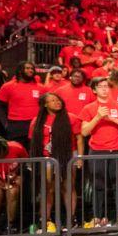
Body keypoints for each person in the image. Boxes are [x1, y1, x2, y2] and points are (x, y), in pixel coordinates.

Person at [78, 77, 118, 227]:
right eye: (100, 86)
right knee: (98, 184)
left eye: (106, 86)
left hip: (117, 149)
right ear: (94, 90)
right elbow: (84, 131)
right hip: (97, 150)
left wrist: (112, 119)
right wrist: (98, 117)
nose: (104, 89)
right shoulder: (88, 108)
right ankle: (98, 216)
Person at [29, 93, 83, 227]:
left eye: (58, 99)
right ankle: (45, 220)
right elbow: (33, 141)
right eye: (52, 100)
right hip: (46, 157)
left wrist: (80, 157)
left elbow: (79, 138)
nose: (57, 102)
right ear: (45, 104)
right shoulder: (37, 121)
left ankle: (71, 219)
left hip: (68, 155)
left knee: (68, 187)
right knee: (48, 189)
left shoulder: (71, 118)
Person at [0, 61, 45, 149]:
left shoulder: (41, 87)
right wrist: (5, 124)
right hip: (15, 125)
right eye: (28, 68)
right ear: (20, 70)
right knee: (16, 153)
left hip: (35, 124)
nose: (31, 70)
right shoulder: (8, 86)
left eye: (32, 69)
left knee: (35, 152)